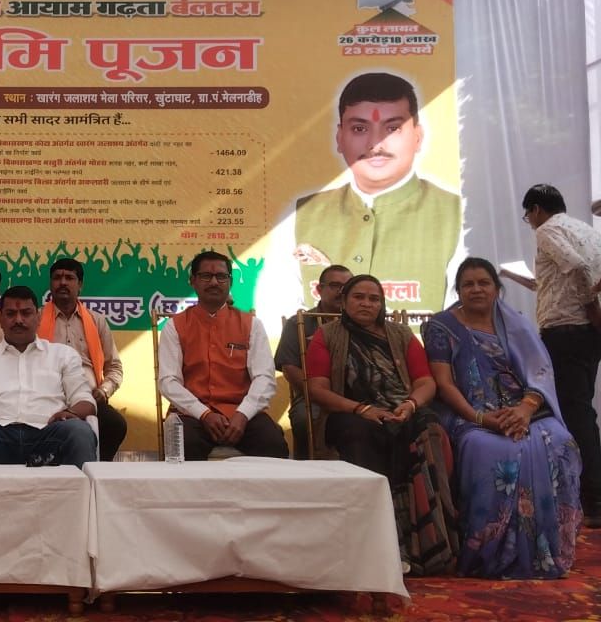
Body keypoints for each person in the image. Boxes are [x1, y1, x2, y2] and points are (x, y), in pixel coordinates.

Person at [263, 72, 462, 328]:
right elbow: (279, 311)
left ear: (417, 136)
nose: (375, 144)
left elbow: (462, 318)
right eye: (359, 129)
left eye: (392, 128)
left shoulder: (457, 214)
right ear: (340, 137)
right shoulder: (301, 214)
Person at [425, 258, 583, 577]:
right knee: (489, 450)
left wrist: (524, 410)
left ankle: (548, 549)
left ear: (497, 289)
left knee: (561, 443)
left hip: (525, 410)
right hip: (470, 413)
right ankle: (490, 552)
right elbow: (444, 384)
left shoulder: (516, 324)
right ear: (458, 290)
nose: (476, 289)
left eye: (483, 282)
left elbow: (540, 373)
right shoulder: (441, 327)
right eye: (468, 284)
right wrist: (481, 419)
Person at [305, 274, 458, 575]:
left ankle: (432, 545)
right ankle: (378, 544)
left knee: (429, 428)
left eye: (374, 299)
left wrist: (410, 405)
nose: (366, 303)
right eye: (358, 297)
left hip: (401, 409)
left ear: (382, 304)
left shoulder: (400, 335)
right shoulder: (327, 336)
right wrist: (361, 409)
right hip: (349, 413)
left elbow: (425, 381)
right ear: (344, 302)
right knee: (361, 434)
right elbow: (317, 389)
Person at [504, 184, 601, 526]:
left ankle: (593, 500)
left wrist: (591, 307)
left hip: (565, 329)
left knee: (574, 414)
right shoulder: (585, 230)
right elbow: (563, 275)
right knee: (581, 411)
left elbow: (576, 267)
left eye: (528, 215)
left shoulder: (547, 229)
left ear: (535, 210)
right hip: (584, 333)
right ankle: (588, 495)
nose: (530, 222)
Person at [158, 251, 289, 460]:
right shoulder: (174, 326)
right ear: (192, 281)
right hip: (192, 414)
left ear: (230, 282)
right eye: (205, 276)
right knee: (184, 447)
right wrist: (204, 414)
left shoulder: (251, 324)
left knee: (273, 444)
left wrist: (243, 414)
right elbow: (168, 381)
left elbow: (264, 377)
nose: (214, 282)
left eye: (221, 276)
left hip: (243, 413)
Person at [0, 286, 97, 468]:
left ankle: (80, 489)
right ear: (0, 319)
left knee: (78, 430)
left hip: (48, 433)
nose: (18, 320)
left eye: (26, 313)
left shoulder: (63, 355)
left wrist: (71, 413)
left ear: (38, 317)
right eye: (11, 314)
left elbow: (85, 401)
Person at [37, 259, 127, 461]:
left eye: (69, 278)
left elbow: (114, 367)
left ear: (80, 285)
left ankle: (96, 469)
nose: (62, 282)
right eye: (57, 278)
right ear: (50, 284)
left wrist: (103, 392)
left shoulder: (96, 321)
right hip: (47, 396)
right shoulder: (36, 318)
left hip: (89, 398)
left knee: (115, 424)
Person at [274, 264, 352, 459]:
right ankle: (306, 471)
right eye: (335, 285)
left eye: (347, 286)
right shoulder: (299, 322)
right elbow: (289, 368)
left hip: (357, 394)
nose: (341, 292)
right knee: (304, 419)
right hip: (312, 397)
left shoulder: (362, 323)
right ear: (319, 289)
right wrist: (323, 394)